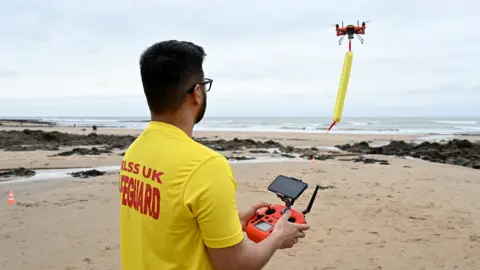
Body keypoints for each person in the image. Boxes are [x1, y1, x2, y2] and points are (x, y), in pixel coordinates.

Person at [119, 40, 310, 270]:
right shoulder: (206, 166)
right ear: (196, 93)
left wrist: (234, 223)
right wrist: (278, 235)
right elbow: (237, 265)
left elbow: (169, 225)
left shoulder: (135, 152)